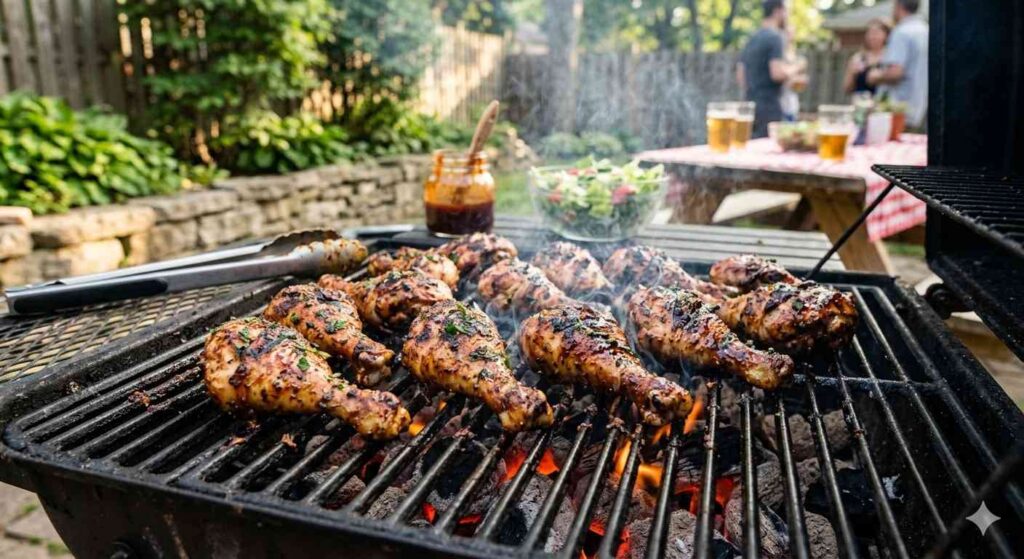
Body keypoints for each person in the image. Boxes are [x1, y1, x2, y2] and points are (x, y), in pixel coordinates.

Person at [737, 0, 803, 137]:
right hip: (769, 107)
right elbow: (776, 73)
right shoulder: (775, 37)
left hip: (750, 105)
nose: (787, 15)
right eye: (786, 11)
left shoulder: (751, 38)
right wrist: (797, 67)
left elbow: (740, 76)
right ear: (777, 11)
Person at [868, 0, 928, 128]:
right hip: (920, 111)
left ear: (898, 6)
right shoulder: (926, 30)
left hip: (897, 111)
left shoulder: (902, 32)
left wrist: (875, 76)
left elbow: (895, 73)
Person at [844, 18, 891, 95]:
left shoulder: (891, 58)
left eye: (876, 33)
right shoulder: (858, 58)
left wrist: (881, 76)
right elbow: (847, 89)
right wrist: (853, 74)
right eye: (870, 33)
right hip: (861, 100)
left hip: (883, 101)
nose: (872, 37)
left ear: (886, 35)